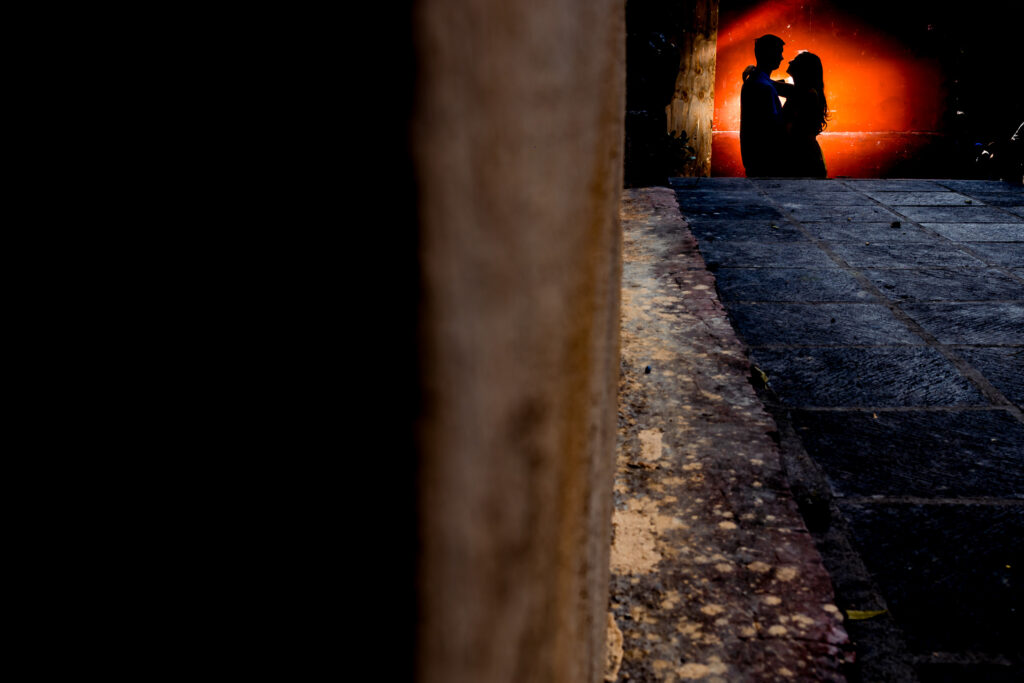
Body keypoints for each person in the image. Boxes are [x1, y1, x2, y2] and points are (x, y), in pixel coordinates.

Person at [740, 34, 786, 176]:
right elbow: (773, 127)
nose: (781, 58)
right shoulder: (764, 87)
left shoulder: (755, 80)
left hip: (755, 159)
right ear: (769, 54)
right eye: (779, 53)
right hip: (766, 161)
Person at [779, 52, 828, 178]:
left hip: (804, 158)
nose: (790, 62)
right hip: (805, 155)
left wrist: (756, 73)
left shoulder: (806, 92)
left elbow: (776, 86)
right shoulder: (805, 91)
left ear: (803, 69)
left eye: (796, 60)